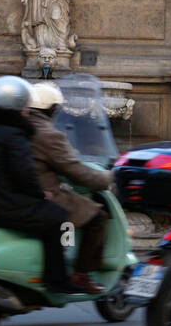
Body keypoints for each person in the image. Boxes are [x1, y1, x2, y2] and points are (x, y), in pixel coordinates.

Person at [0, 74, 72, 293]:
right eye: (24, 106)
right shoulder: (12, 132)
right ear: (16, 107)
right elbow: (23, 173)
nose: (27, 111)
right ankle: (57, 280)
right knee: (57, 218)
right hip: (2, 201)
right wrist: (40, 194)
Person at [27, 81, 114, 296]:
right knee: (97, 217)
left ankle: (66, 255)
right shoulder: (49, 134)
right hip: (46, 194)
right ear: (52, 109)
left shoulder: (21, 127)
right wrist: (107, 178)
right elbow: (75, 171)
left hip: (25, 191)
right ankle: (81, 274)